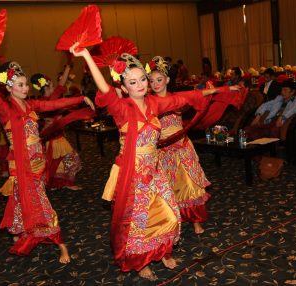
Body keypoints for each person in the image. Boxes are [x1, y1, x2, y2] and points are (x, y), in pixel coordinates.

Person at [69, 44, 215, 281]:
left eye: (142, 80)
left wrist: (213, 91)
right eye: (133, 82)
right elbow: (104, 89)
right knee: (139, 222)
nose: (140, 85)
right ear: (124, 86)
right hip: (133, 174)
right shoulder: (121, 108)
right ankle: (140, 263)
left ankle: (161, 251)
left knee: (169, 214)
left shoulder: (154, 104)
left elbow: (181, 99)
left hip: (154, 171)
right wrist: (86, 55)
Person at [0, 60, 86, 263]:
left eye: (26, 84)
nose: (25, 88)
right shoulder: (5, 108)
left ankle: (18, 229)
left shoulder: (31, 105)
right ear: (9, 86)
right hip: (22, 166)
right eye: (20, 85)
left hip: (38, 162)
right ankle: (60, 243)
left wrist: (80, 98)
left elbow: (54, 103)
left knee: (22, 198)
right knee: (40, 203)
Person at [147, 56, 217, 235]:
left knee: (189, 184)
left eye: (159, 80)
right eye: (152, 80)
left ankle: (195, 222)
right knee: (166, 187)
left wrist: (219, 89)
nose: (155, 84)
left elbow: (196, 95)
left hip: (181, 147)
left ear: (167, 80)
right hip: (161, 150)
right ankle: (171, 222)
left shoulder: (177, 97)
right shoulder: (148, 102)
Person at [30, 65, 94, 191]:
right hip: (55, 140)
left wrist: (68, 68)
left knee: (57, 163)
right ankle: (60, 183)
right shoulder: (48, 100)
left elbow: (61, 86)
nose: (55, 87)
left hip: (53, 138)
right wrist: (68, 68)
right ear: (47, 87)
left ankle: (56, 183)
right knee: (70, 160)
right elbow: (61, 85)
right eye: (52, 86)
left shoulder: (42, 100)